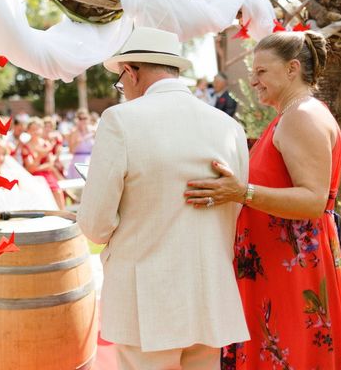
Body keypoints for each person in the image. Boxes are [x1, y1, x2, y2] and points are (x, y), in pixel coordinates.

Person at [186, 31, 341, 369]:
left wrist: (242, 193)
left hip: (292, 271)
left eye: (262, 72)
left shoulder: (302, 117)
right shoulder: (295, 114)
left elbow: (313, 200)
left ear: (292, 68)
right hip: (279, 266)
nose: (253, 81)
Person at [77, 27, 249, 370]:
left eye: (121, 81)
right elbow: (235, 204)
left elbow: (94, 225)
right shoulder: (229, 126)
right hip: (209, 292)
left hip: (146, 298)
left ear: (132, 71)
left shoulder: (121, 120)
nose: (122, 90)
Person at [0, 137, 57, 218]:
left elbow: (33, 196)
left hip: (17, 222)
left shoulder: (13, 176)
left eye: (3, 154)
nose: (1, 158)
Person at [22, 118, 65, 211]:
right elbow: (30, 169)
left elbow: (50, 164)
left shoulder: (45, 143)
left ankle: (63, 213)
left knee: (57, 191)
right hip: (33, 177)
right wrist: (39, 157)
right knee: (40, 194)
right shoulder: (26, 147)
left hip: (46, 174)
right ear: (28, 131)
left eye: (37, 129)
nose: (35, 132)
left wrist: (37, 167)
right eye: (33, 129)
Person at [66, 108, 95, 179]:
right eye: (80, 118)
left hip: (92, 160)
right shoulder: (73, 132)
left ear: (88, 118)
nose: (82, 120)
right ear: (77, 119)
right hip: (78, 161)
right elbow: (71, 151)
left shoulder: (93, 130)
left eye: (84, 118)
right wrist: (77, 142)